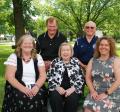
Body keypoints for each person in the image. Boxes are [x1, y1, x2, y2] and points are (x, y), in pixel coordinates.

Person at [2, 34, 46, 112]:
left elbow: (43, 75)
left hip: (35, 85)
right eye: (25, 43)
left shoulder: (38, 57)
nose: (28, 45)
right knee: (22, 96)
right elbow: (9, 77)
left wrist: (36, 87)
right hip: (18, 86)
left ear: (33, 46)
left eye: (30, 43)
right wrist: (24, 89)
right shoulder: (14, 57)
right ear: (20, 45)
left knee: (37, 96)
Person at [84, 37, 120, 112]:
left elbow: (118, 80)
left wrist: (106, 93)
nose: (103, 47)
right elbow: (87, 78)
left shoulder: (115, 60)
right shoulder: (93, 60)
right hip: (95, 92)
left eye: (106, 45)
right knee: (87, 109)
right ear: (98, 46)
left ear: (110, 47)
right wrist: (92, 91)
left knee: (99, 109)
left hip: (112, 93)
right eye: (101, 45)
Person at [48, 42, 84, 112]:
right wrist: (57, 87)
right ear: (60, 52)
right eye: (63, 50)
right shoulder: (55, 62)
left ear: (71, 52)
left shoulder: (76, 61)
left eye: (67, 50)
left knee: (72, 98)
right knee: (55, 97)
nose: (65, 52)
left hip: (73, 88)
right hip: (57, 88)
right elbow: (49, 77)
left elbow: (81, 78)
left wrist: (72, 89)